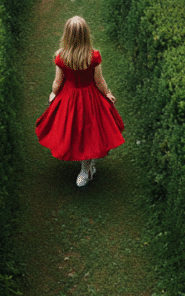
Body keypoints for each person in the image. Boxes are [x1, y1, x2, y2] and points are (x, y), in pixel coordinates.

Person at [35, 16, 125, 187]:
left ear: (67, 35)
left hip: (69, 97)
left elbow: (58, 81)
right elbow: (99, 81)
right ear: (86, 34)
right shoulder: (93, 56)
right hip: (90, 97)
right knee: (88, 132)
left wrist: (53, 94)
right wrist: (107, 93)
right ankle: (87, 167)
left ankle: (86, 168)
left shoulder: (61, 56)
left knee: (75, 131)